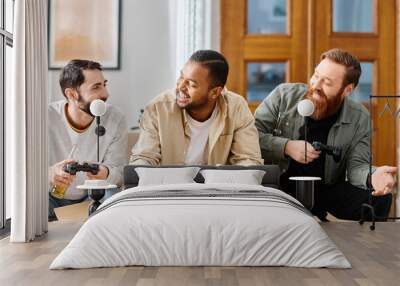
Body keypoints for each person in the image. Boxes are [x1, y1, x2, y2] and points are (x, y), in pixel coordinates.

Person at [254, 48, 396, 221]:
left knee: (379, 198)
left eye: (327, 82)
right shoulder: (283, 95)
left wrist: (372, 176)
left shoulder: (359, 116)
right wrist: (286, 147)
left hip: (325, 188)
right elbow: (251, 137)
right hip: (279, 186)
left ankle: (360, 245)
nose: (316, 85)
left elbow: (357, 166)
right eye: (315, 75)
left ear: (347, 90)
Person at [130, 50, 263, 166]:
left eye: (191, 84)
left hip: (217, 190)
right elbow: (144, 158)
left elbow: (248, 160)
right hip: (169, 189)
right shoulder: (158, 108)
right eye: (181, 77)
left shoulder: (236, 107)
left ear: (215, 92)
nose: (180, 87)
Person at [48, 59, 128, 220]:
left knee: (114, 195)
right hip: (49, 197)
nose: (106, 94)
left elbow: (119, 173)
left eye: (104, 85)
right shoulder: (46, 116)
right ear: (71, 94)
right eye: (96, 87)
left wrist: (106, 173)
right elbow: (22, 169)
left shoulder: (115, 118)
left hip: (92, 198)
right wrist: (49, 174)